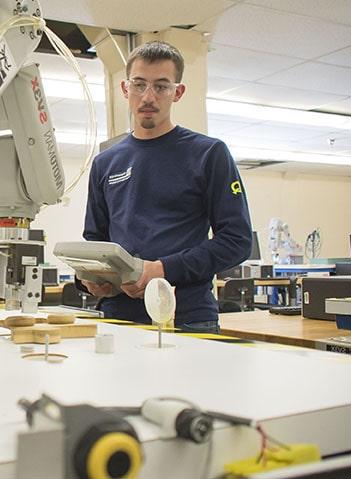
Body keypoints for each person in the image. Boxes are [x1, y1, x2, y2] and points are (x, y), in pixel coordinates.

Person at [79, 40, 252, 333]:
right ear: (125, 89)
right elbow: (95, 241)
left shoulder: (209, 154)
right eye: (139, 85)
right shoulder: (105, 163)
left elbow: (236, 240)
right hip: (118, 318)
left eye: (161, 86)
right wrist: (93, 279)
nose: (148, 97)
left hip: (187, 316)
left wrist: (162, 270)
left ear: (177, 92)